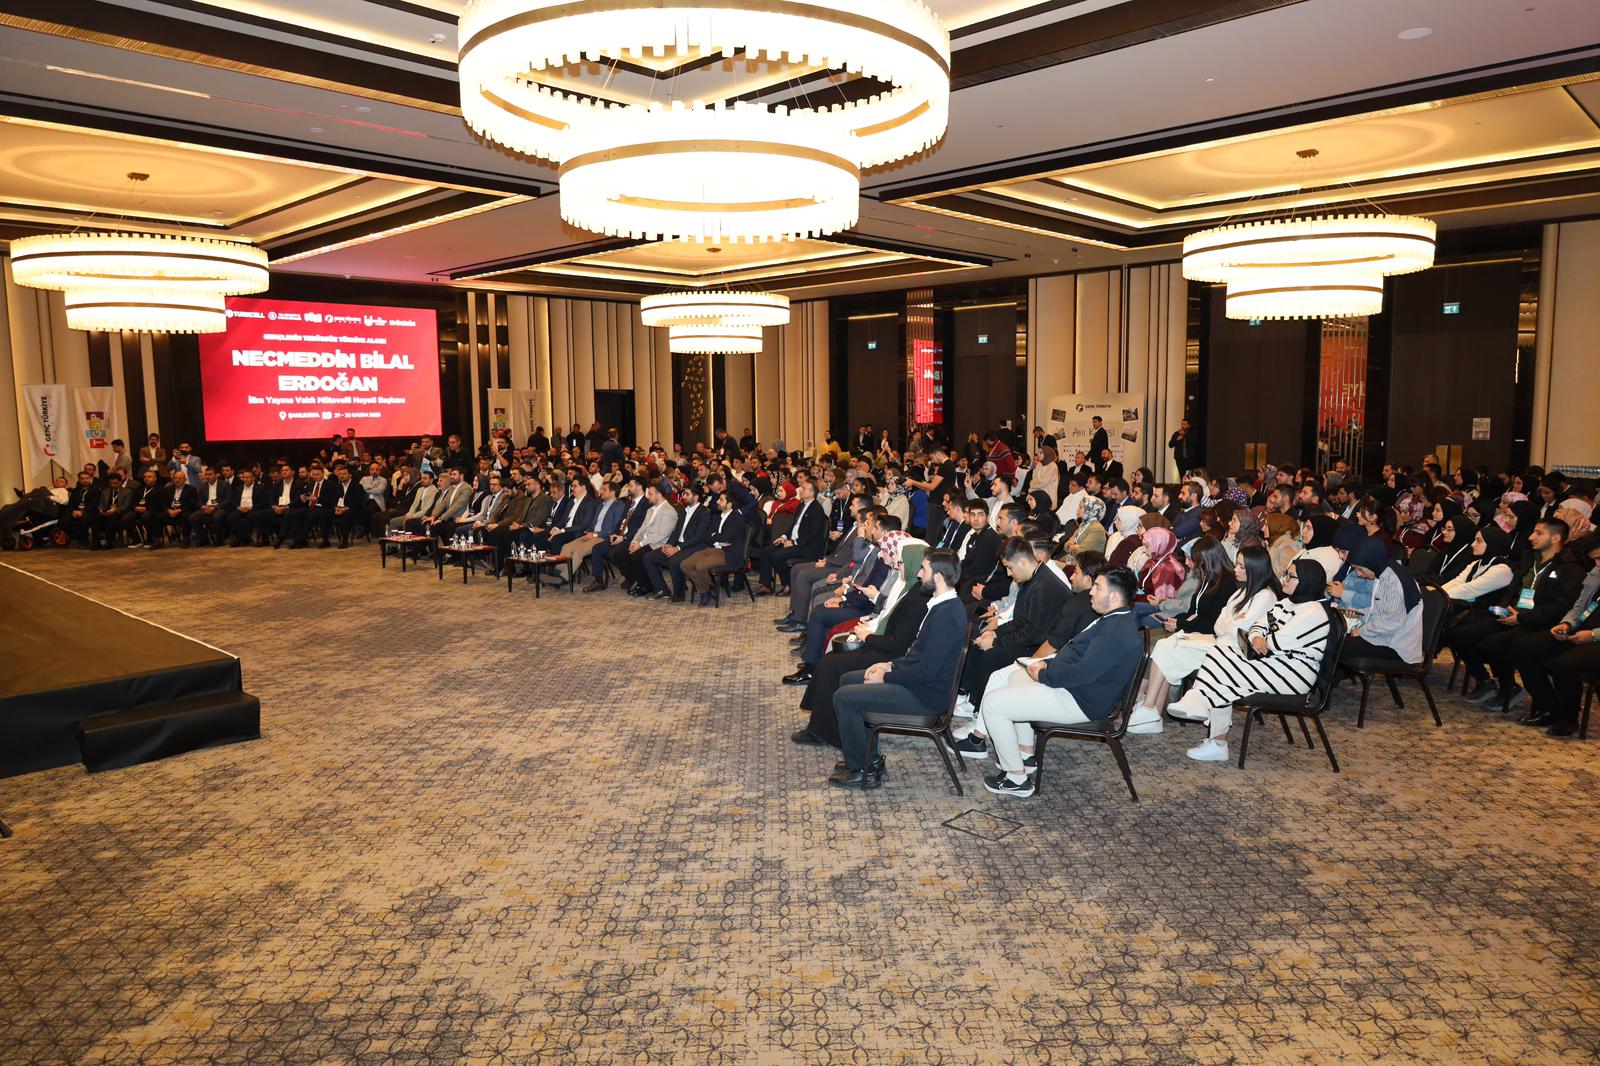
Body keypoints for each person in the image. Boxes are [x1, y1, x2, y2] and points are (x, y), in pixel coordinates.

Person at [966, 566, 1143, 798]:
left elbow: (1083, 673)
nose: (1091, 592)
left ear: (1115, 597)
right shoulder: (1114, 620)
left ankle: (1016, 778)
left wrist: (1043, 675)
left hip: (1081, 700)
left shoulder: (1115, 632)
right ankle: (1025, 754)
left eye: (1098, 587)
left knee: (992, 703)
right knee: (1015, 677)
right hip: (1078, 690)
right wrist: (1046, 665)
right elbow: (1079, 658)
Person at [1168, 557, 1333, 762]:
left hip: (1292, 674)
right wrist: (1257, 637)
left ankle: (1206, 716)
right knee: (1220, 652)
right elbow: (1258, 626)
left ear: (1307, 581)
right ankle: (1208, 723)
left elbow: (1277, 642)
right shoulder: (1287, 602)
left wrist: (1261, 638)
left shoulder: (1313, 611)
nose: (1284, 579)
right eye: (1286, 574)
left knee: (1222, 674)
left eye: (1290, 576)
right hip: (1272, 663)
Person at [828, 548, 967, 789]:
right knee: (848, 680)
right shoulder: (941, 606)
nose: (919, 574)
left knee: (844, 697)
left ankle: (863, 769)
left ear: (938, 577)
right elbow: (918, 656)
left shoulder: (947, 616)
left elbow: (925, 671)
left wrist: (886, 677)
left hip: (925, 696)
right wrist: (890, 664)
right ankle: (867, 757)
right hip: (919, 683)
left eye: (923, 569)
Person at [1128, 542, 1275, 732]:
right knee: (1165, 646)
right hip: (1220, 642)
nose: (1235, 569)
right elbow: (1219, 623)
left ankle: (1151, 708)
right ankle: (1152, 709)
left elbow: (1228, 627)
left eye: (1241, 566)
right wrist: (1227, 624)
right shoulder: (1241, 591)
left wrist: (1226, 624)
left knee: (1166, 647)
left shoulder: (1261, 594)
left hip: (1232, 651)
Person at [1452, 518, 1585, 714]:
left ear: (1556, 538)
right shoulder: (1530, 558)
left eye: (1539, 533)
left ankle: (1511, 689)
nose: (1531, 537)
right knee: (1460, 634)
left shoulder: (1570, 568)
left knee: (1495, 643)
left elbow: (1559, 607)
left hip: (1540, 623)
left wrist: (1521, 618)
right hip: (1515, 615)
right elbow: (1513, 588)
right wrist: (1504, 608)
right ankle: (1486, 681)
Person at [755, 481, 826, 593]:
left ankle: (787, 584)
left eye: (804, 488)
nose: (801, 490)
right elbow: (793, 526)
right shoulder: (801, 505)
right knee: (766, 551)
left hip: (807, 546)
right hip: (794, 541)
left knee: (777, 555)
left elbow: (812, 533)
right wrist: (783, 537)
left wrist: (794, 542)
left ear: (812, 493)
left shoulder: (816, 509)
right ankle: (766, 584)